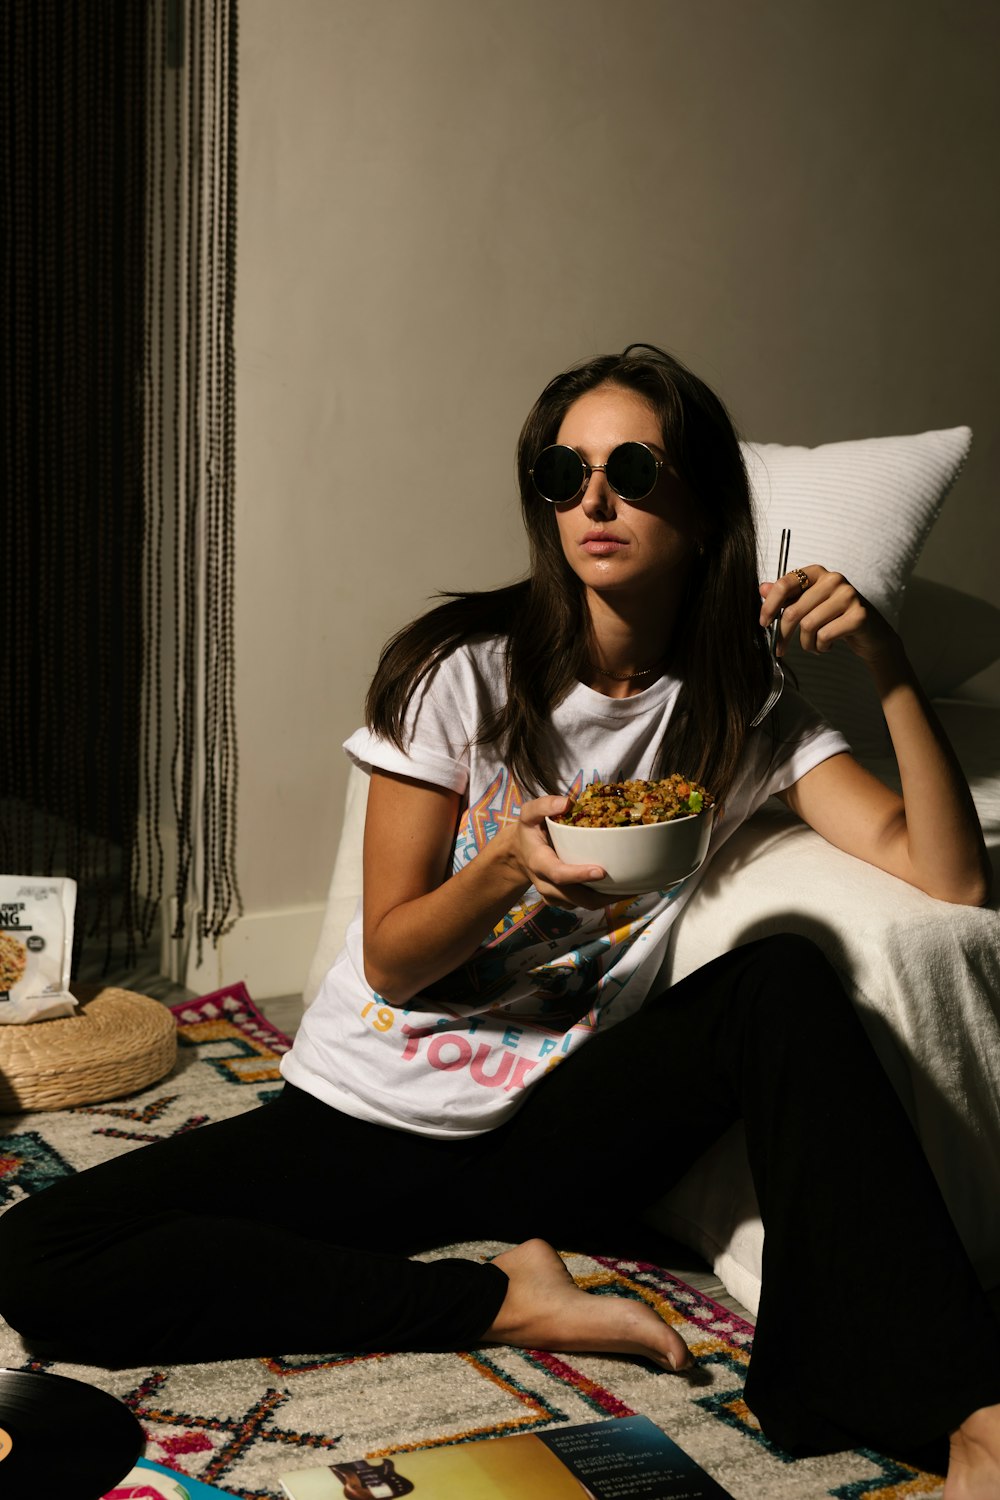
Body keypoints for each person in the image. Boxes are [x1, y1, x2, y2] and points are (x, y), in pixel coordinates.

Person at [0, 345, 997, 1493]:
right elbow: (394, 957)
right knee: (39, 1259)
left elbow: (949, 877)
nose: (594, 500)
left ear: (708, 496)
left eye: (630, 465)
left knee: (782, 985)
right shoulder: (462, 673)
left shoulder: (741, 712)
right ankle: (502, 1304)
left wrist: (885, 662)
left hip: (555, 1134)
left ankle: (966, 1409)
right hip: (371, 1116)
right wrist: (509, 870)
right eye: (560, 474)